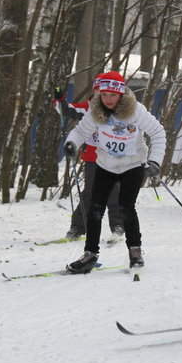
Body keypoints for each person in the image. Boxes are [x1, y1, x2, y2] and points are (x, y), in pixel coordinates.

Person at [63, 71, 166, 273]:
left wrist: (155, 161)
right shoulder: (95, 111)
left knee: (126, 208)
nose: (108, 99)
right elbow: (80, 132)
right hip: (106, 165)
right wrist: (71, 143)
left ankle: (135, 251)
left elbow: (158, 132)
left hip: (133, 165)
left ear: (121, 94)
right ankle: (90, 254)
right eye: (104, 95)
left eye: (112, 95)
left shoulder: (136, 111)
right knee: (95, 209)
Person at [57, 75, 124, 240]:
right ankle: (77, 228)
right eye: (98, 91)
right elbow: (66, 110)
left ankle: (118, 226)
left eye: (104, 92)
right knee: (91, 194)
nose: (101, 95)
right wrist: (59, 99)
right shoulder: (87, 108)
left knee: (114, 192)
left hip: (116, 158)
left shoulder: (121, 110)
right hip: (93, 159)